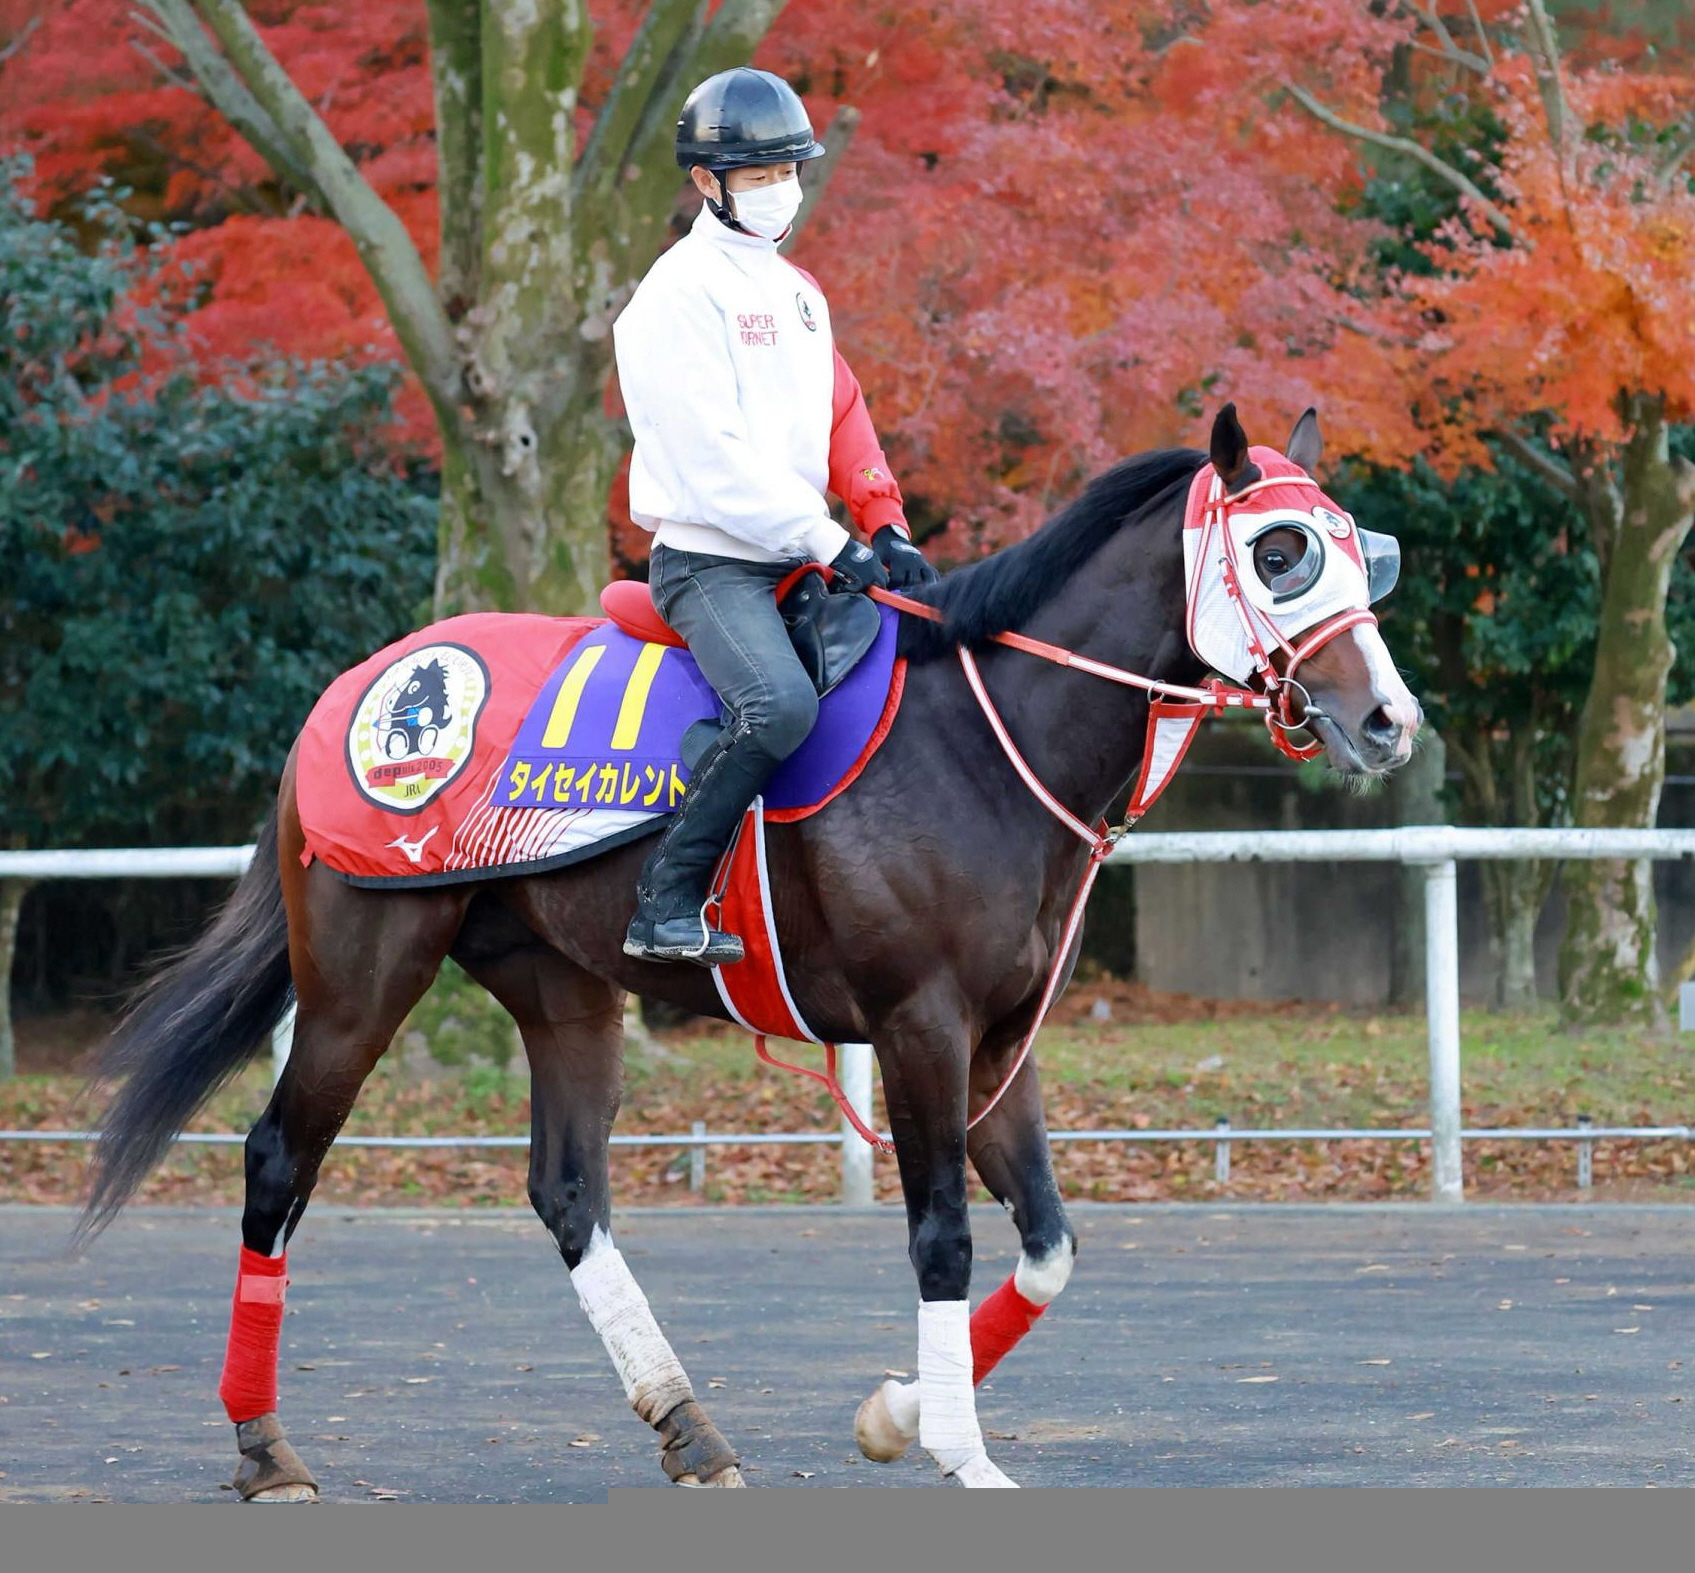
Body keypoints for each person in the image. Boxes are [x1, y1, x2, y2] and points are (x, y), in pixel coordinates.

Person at [614, 66, 938, 966]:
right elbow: (714, 463)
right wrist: (828, 538)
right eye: (756, 176)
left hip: (802, 553)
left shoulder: (797, 291)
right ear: (706, 184)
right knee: (779, 705)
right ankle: (664, 900)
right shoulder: (672, 298)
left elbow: (840, 410)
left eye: (787, 170)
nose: (777, 190)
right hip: (712, 565)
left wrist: (884, 523)